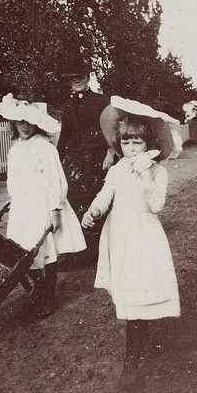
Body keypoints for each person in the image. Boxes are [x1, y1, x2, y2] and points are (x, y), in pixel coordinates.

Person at [82, 98, 180, 393]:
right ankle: (138, 339)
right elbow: (105, 194)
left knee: (140, 289)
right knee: (127, 290)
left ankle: (132, 362)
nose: (132, 148)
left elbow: (156, 204)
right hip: (119, 234)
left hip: (142, 235)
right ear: (119, 143)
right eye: (126, 142)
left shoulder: (156, 172)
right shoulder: (117, 170)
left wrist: (147, 174)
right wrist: (94, 211)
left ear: (148, 143)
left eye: (137, 142)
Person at [0, 93, 87, 320]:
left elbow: (56, 179)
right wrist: (15, 199)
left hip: (43, 204)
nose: (24, 127)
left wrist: (55, 209)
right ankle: (39, 289)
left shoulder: (45, 147)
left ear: (36, 124)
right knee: (24, 250)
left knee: (46, 249)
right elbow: (13, 178)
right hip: (23, 207)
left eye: (28, 122)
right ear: (13, 124)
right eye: (20, 122)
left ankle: (48, 295)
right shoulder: (15, 148)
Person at [56, 59, 115, 268]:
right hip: (75, 159)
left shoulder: (101, 101)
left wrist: (111, 152)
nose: (76, 82)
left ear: (88, 77)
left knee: (97, 197)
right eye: (72, 79)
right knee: (73, 199)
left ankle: (101, 248)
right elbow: (65, 134)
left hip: (98, 158)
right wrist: (57, 159)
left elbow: (113, 127)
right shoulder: (69, 104)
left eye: (79, 77)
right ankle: (83, 249)